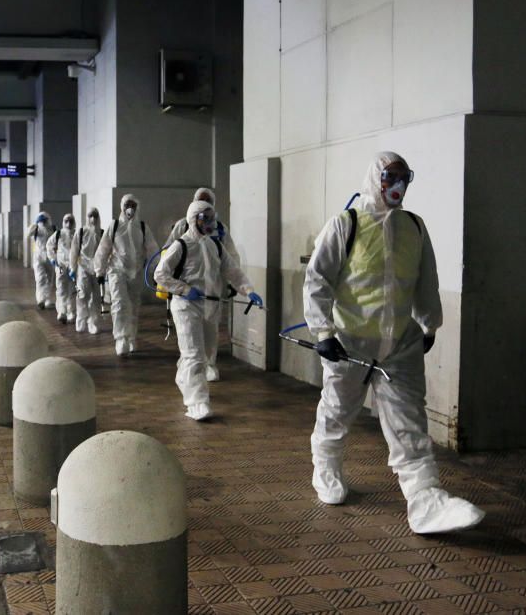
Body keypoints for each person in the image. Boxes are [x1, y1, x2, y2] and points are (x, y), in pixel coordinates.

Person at [304, 151, 484, 534]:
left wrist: (429, 324)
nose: (398, 185)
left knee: (409, 422)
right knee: (337, 412)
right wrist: (323, 333)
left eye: (405, 177)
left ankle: (426, 501)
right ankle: (326, 469)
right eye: (390, 176)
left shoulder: (414, 228)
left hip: (400, 343)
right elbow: (317, 279)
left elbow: (425, 280)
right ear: (375, 178)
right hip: (350, 342)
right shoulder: (345, 224)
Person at [155, 200, 262, 420]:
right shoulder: (180, 245)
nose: (211, 223)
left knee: (203, 354)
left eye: (212, 218)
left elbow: (232, 270)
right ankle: (197, 403)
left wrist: (248, 290)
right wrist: (184, 289)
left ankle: (183, 377)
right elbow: (160, 274)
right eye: (206, 218)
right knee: (194, 354)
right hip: (185, 306)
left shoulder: (215, 246)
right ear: (194, 219)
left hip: (210, 305)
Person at [163, 187, 239, 381]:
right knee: (190, 334)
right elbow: (169, 248)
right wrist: (177, 285)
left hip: (213, 287)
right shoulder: (183, 226)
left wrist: (233, 283)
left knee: (211, 330)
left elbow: (231, 255)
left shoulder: (220, 228)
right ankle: (191, 367)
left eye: (208, 200)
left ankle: (209, 364)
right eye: (200, 200)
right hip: (189, 287)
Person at [94, 194, 158, 356]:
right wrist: (99, 271)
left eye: (133, 205)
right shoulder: (114, 226)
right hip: (116, 270)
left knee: (134, 304)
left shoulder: (142, 227)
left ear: (137, 207)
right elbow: (103, 249)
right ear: (122, 207)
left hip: (136, 272)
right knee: (120, 303)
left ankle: (131, 337)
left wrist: (156, 272)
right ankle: (121, 338)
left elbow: (152, 250)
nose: (130, 208)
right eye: (127, 205)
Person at [69, 208, 104, 334]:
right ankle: (81, 320)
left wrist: (104, 270)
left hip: (97, 269)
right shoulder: (81, 232)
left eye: (95, 216)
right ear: (86, 217)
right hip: (83, 268)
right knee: (82, 295)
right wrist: (72, 268)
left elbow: (106, 253)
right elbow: (74, 251)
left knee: (95, 298)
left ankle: (93, 323)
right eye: (90, 216)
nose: (92, 219)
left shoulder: (102, 233)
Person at [47, 213, 77, 324]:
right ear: (63, 222)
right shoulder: (58, 234)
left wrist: (77, 265)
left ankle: (71, 311)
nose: (68, 223)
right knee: (60, 288)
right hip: (60, 267)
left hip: (73, 267)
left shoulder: (77, 234)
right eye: (66, 221)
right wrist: (53, 259)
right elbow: (49, 246)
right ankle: (62, 311)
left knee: (73, 290)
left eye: (71, 221)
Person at [26, 211, 56, 309]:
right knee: (40, 278)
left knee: (50, 278)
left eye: (45, 220)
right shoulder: (37, 229)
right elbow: (28, 234)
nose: (43, 223)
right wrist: (33, 226)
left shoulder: (53, 229)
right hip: (38, 256)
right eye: (41, 221)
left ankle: (47, 299)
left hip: (50, 256)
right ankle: (40, 299)